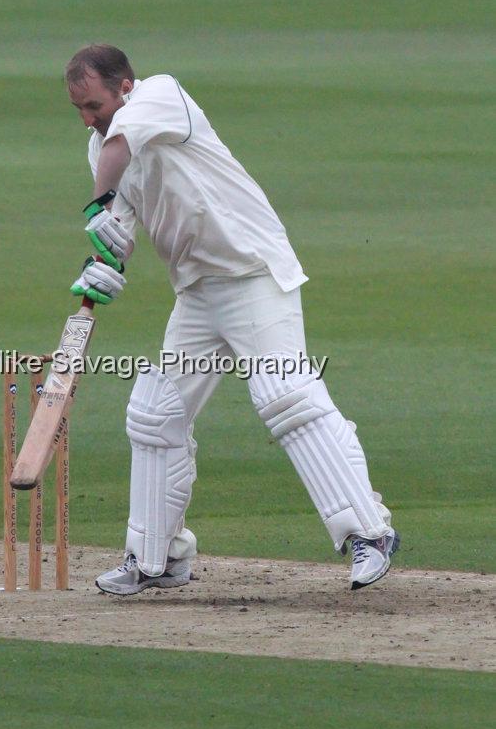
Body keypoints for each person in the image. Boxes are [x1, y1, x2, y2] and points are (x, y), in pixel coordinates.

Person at [65, 43, 399, 595]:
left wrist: (97, 207)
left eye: (93, 104)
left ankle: (369, 533)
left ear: (125, 87)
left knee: (284, 394)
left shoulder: (160, 94)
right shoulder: (99, 148)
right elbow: (117, 226)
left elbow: (118, 155)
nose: (88, 119)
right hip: (198, 292)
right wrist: (103, 264)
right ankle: (157, 558)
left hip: (252, 274)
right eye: (78, 108)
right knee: (154, 413)